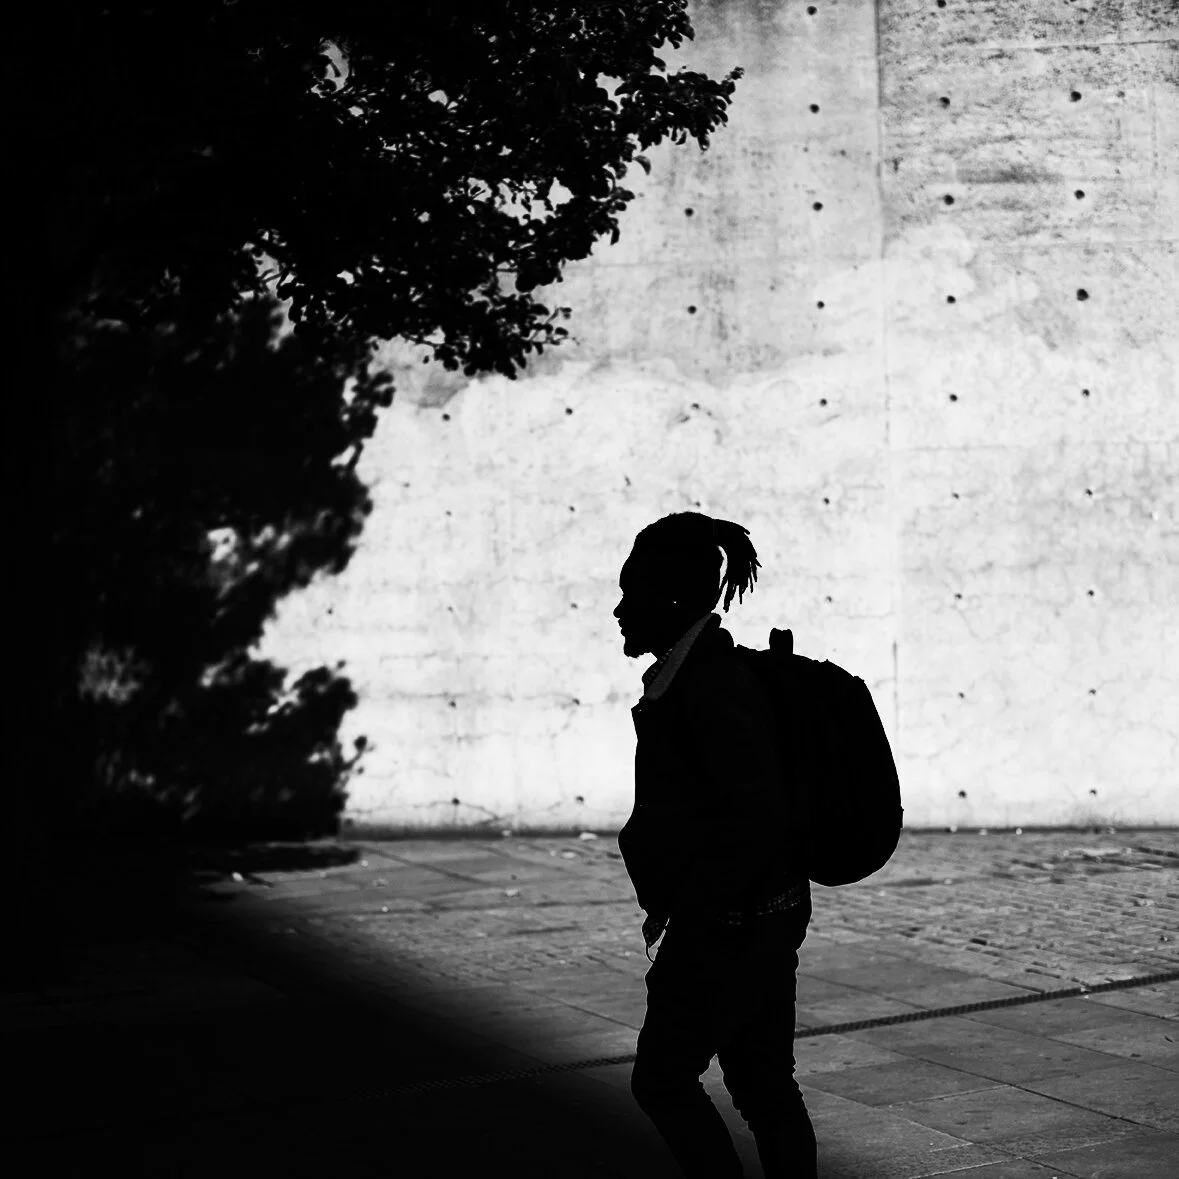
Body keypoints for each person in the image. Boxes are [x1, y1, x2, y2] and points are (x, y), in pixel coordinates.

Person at [613, 511, 817, 1179]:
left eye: (630, 592)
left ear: (668, 599)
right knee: (762, 1086)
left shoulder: (709, 685)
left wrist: (698, 915)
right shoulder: (696, 676)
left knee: (662, 1081)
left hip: (729, 930)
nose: (618, 610)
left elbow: (751, 815)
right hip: (754, 918)